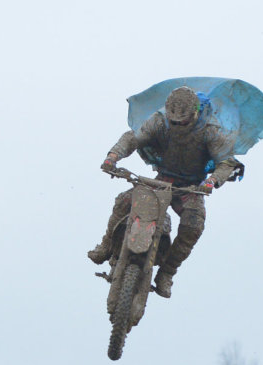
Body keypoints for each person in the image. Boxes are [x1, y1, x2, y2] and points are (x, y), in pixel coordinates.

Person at [89, 86, 244, 298]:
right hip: (162, 179)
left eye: (184, 122)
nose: (178, 125)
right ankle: (106, 244)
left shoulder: (211, 130)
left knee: (194, 225)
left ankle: (167, 273)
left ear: (195, 114)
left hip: (190, 187)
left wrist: (212, 180)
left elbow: (226, 162)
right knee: (124, 200)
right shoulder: (160, 121)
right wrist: (113, 156)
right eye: (174, 121)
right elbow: (133, 138)